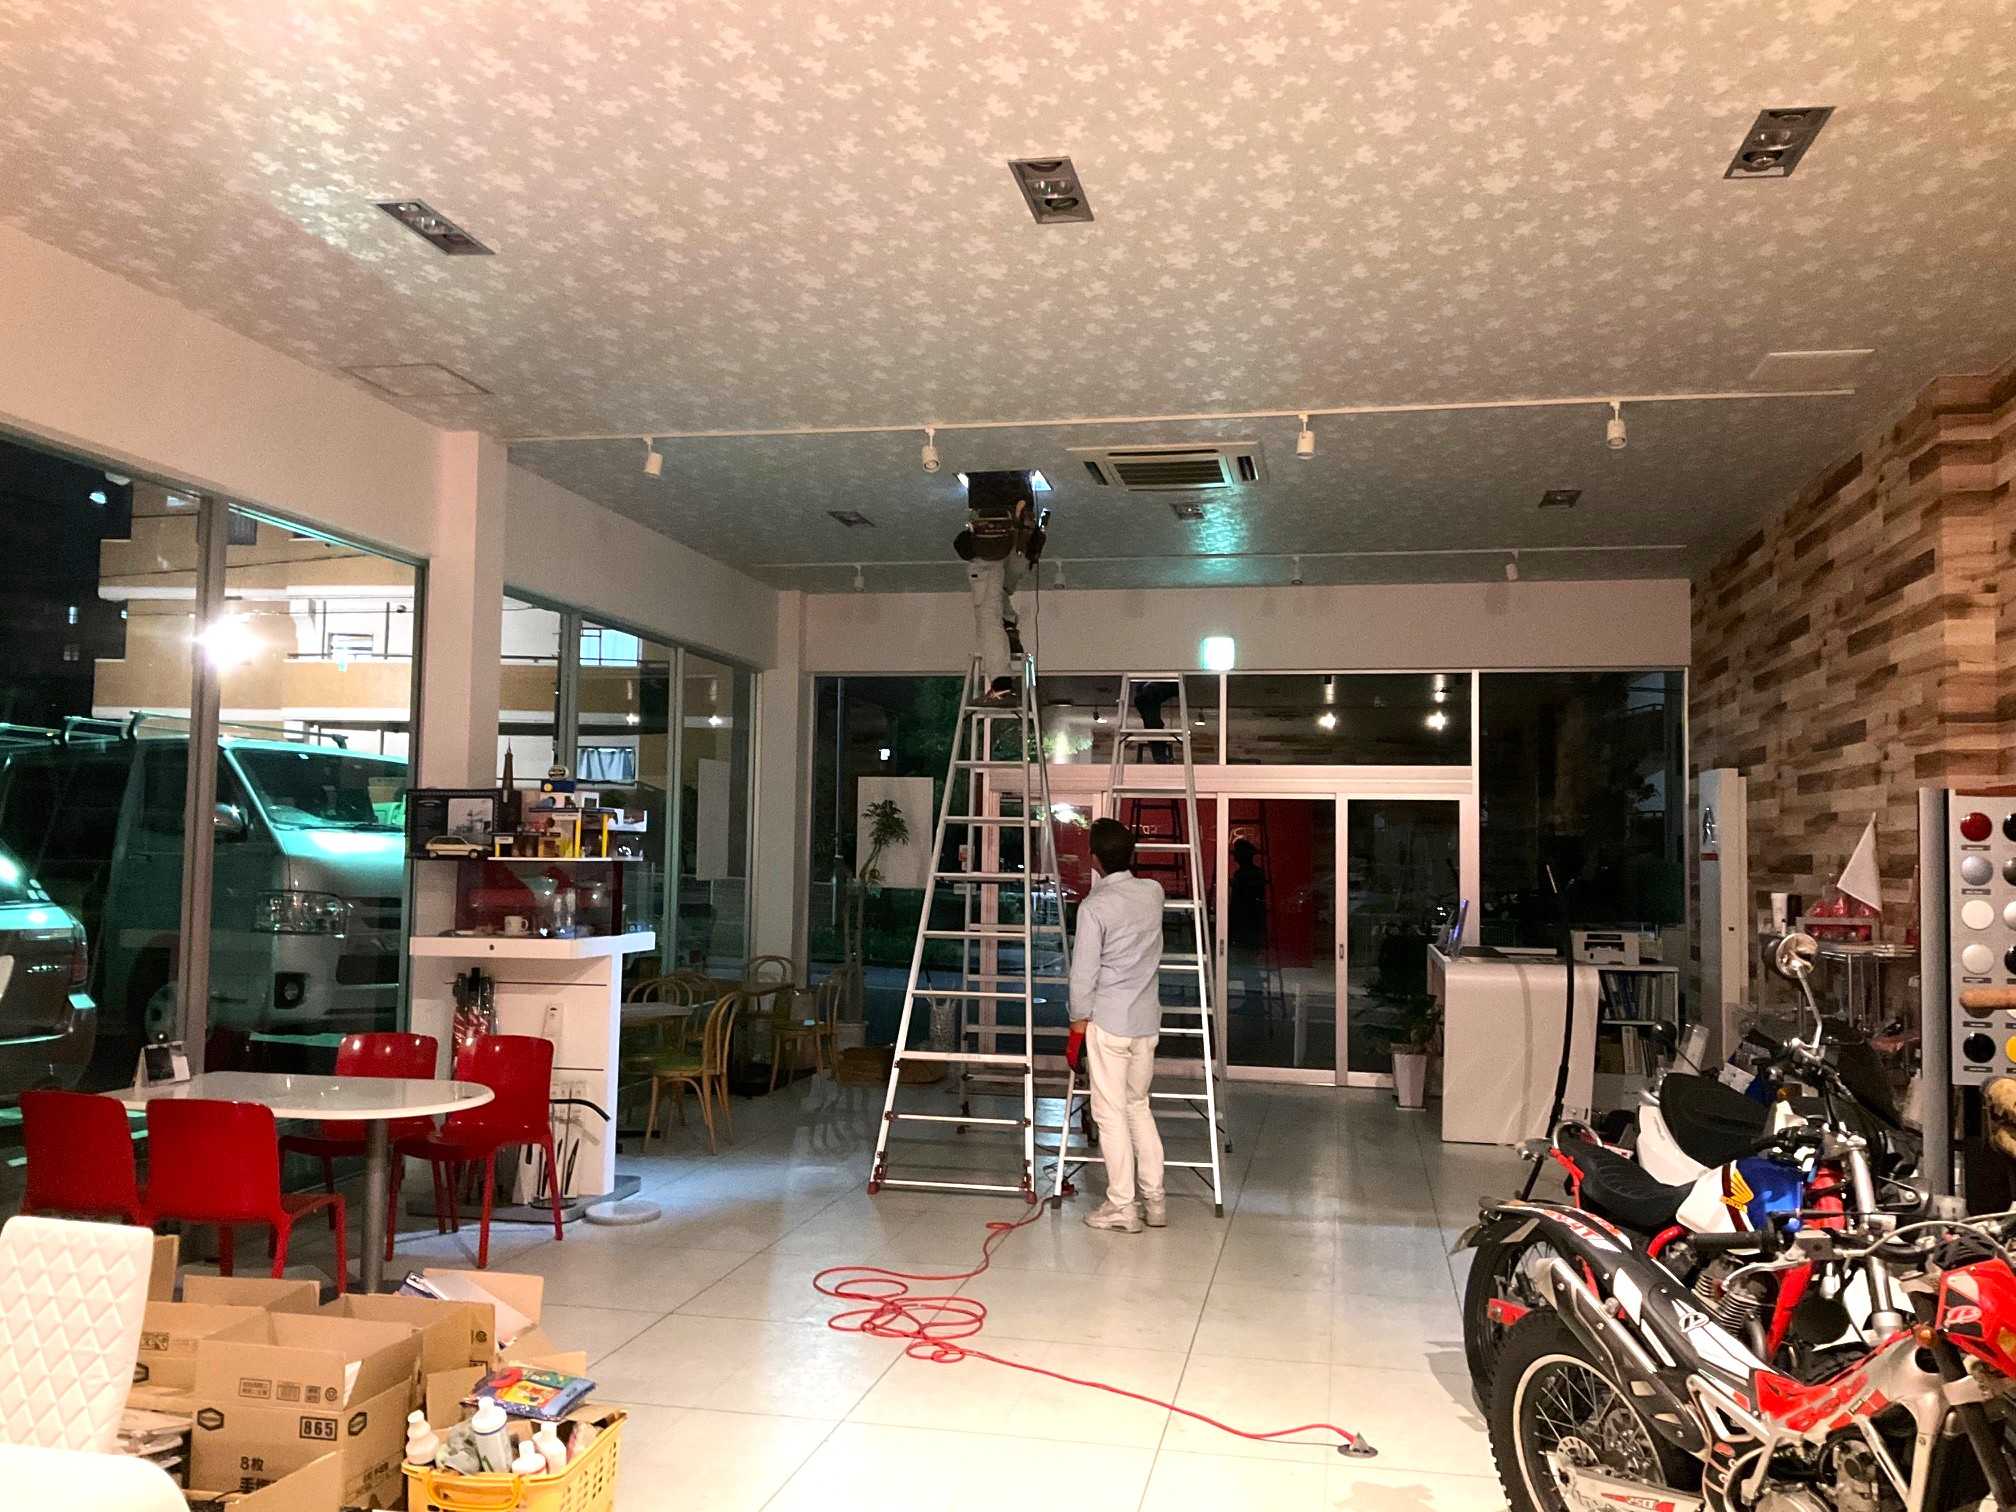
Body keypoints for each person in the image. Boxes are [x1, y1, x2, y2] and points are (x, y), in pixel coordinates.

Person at [1068, 817, 1166, 1233]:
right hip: (1145, 1021)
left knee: (1109, 1115)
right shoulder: (1154, 893)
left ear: (1094, 859)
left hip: (1109, 1021)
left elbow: (1083, 973)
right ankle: (1155, 1202)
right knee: (1138, 1107)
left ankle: (1122, 1205)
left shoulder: (1095, 907)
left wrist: (1077, 1023)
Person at [953, 470, 1046, 706]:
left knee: (991, 610)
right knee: (991, 611)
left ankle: (1002, 679)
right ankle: (1002, 679)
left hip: (1003, 550)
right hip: (1003, 552)